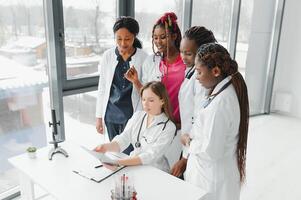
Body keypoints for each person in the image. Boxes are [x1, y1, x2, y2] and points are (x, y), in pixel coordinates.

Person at [185, 43, 249, 200]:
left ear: (215, 71)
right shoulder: (223, 90)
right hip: (213, 175)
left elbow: (211, 151)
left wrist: (189, 141)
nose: (196, 77)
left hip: (212, 180)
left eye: (199, 72)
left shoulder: (221, 104)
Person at [94, 81, 176, 172]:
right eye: (143, 99)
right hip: (134, 166)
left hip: (155, 170)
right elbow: (123, 139)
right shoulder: (138, 116)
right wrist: (105, 147)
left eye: (151, 100)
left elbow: (151, 155)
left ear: (162, 101)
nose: (145, 104)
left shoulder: (169, 127)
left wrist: (119, 162)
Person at [95, 16, 148, 155]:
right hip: (110, 114)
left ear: (134, 37)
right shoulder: (108, 56)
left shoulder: (143, 58)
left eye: (128, 39)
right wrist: (99, 117)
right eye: (119, 38)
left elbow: (148, 91)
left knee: (131, 153)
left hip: (131, 115)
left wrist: (135, 81)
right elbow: (102, 88)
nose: (123, 43)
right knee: (114, 153)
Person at [170, 26, 216, 178]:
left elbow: (196, 119)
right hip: (187, 143)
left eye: (188, 53)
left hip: (192, 146)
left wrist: (184, 158)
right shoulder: (191, 71)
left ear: (203, 53)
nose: (183, 57)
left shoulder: (201, 81)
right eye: (182, 52)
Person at [125, 12, 185, 126]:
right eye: (155, 38)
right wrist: (136, 81)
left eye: (163, 37)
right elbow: (147, 95)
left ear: (174, 36)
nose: (158, 42)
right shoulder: (151, 62)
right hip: (159, 123)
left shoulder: (186, 62)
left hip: (182, 123)